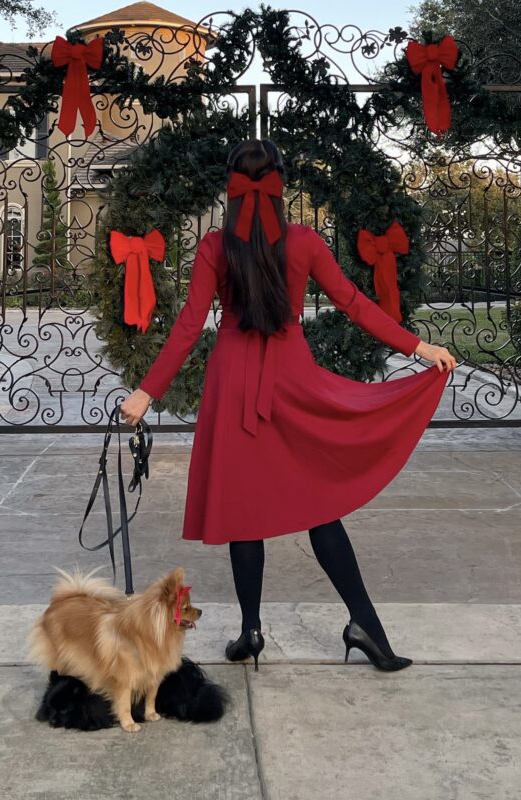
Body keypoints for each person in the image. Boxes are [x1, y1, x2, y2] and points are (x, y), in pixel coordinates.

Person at [120, 138, 457, 672]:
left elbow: (189, 325)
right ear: (281, 186)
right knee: (320, 505)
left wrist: (147, 391)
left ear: (230, 190)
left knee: (244, 512)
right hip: (292, 378)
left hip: (233, 382)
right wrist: (419, 347)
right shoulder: (302, 241)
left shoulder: (214, 246)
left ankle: (251, 631)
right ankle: (365, 624)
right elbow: (352, 301)